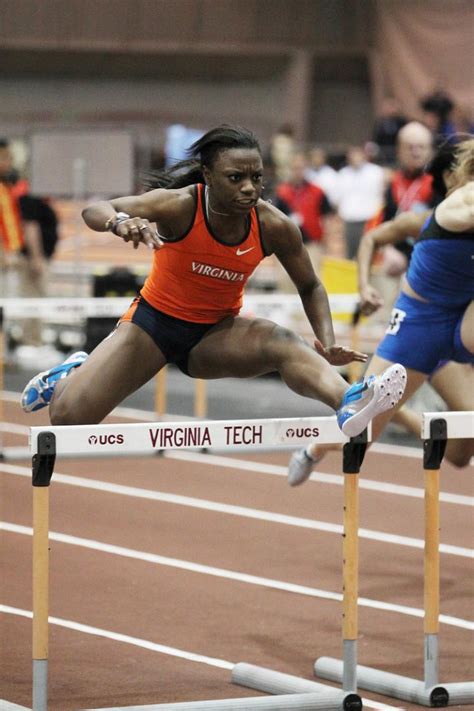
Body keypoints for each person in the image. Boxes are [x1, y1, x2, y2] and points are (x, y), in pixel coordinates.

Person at [21, 125, 406, 436]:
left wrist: (329, 341)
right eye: (236, 178)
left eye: (257, 177)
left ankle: (349, 402)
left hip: (215, 334)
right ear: (208, 175)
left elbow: (310, 285)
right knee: (68, 421)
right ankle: (70, 373)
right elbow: (95, 209)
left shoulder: (273, 225)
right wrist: (120, 222)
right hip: (153, 325)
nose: (250, 188)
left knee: (283, 342)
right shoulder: (179, 205)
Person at [288, 137, 474, 485]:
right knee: (362, 432)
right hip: (420, 325)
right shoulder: (443, 210)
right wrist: (363, 284)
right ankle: (315, 448)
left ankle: (398, 410)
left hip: (463, 321)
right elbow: (372, 237)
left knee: (462, 453)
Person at [275, 151, 333, 280]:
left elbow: (327, 217)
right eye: (295, 168)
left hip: (311, 243)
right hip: (287, 244)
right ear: (289, 169)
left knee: (314, 278)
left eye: (301, 168)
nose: (298, 171)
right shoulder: (282, 192)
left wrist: (326, 240)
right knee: (286, 280)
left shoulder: (317, 191)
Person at [334, 145, 386, 260]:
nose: (355, 157)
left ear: (363, 154)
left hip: (370, 220)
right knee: (349, 255)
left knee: (368, 254)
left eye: (358, 154)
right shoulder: (343, 174)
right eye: (352, 154)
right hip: (349, 220)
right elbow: (337, 200)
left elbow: (382, 195)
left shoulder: (376, 172)